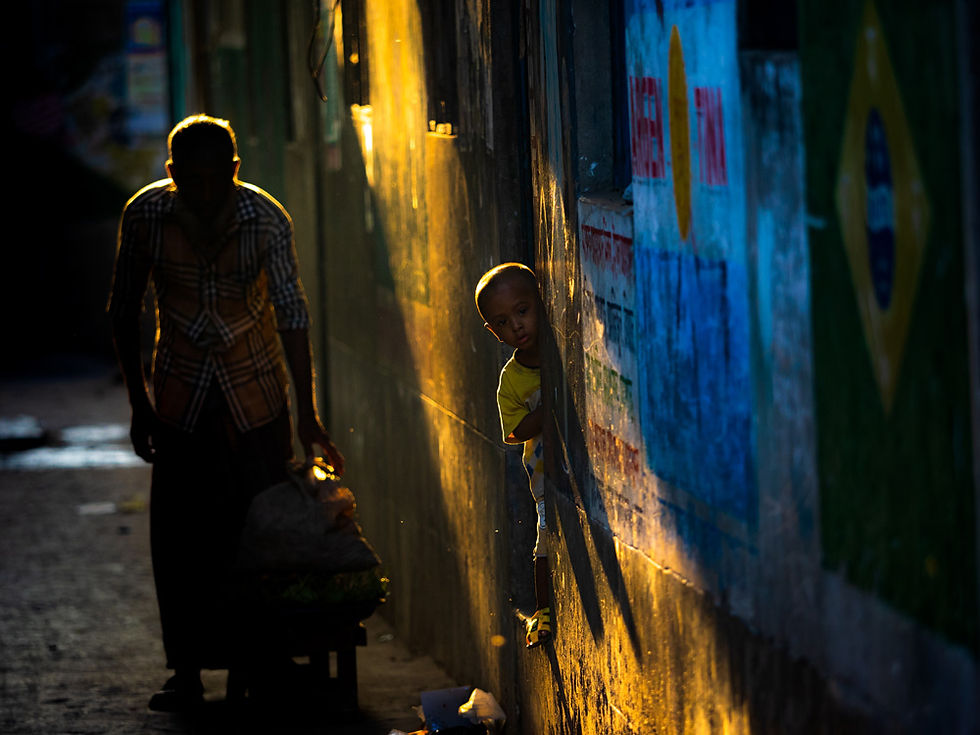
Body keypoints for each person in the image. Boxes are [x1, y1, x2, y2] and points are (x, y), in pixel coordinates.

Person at [107, 114, 345, 711]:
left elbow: (292, 314)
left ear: (236, 173)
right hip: (180, 399)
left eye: (217, 180)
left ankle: (261, 664)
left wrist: (307, 417)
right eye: (192, 181)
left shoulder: (265, 217)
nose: (206, 193)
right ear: (171, 175)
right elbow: (124, 308)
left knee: (263, 532)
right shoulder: (145, 215)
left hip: (256, 394)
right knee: (182, 537)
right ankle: (186, 671)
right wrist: (139, 406)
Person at [474, 262, 552, 648]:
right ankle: (543, 610)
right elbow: (512, 431)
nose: (516, 326)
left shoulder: (563, 347)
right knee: (544, 538)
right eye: (503, 322)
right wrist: (547, 409)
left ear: (542, 302)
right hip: (544, 475)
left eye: (522, 311)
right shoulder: (512, 380)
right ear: (493, 332)